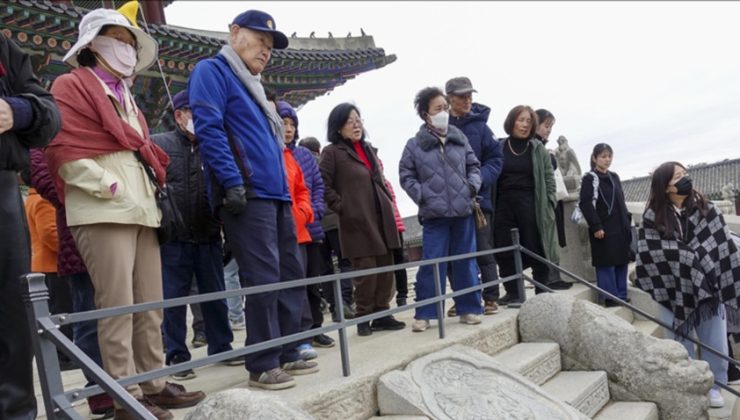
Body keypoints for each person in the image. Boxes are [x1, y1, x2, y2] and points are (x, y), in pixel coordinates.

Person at [45, 9, 204, 418]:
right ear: (91, 44)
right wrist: (109, 186)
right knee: (116, 307)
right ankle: (126, 396)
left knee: (150, 303)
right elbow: (63, 152)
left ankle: (153, 381)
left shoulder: (126, 94)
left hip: (142, 209)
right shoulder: (69, 85)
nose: (127, 48)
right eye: (117, 38)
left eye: (131, 41)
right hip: (102, 210)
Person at [188, 9, 318, 391]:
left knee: (289, 273)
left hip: (276, 193)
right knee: (262, 277)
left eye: (270, 46)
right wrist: (230, 181)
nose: (266, 51)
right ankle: (262, 361)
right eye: (260, 41)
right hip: (247, 192)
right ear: (234, 33)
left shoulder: (257, 87)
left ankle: (288, 347)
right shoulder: (213, 71)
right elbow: (209, 127)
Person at [635, 161, 740, 408]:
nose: (685, 179)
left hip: (709, 287)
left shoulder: (707, 208)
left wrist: (696, 259)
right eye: (678, 177)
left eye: (685, 174)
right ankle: (688, 385)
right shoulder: (652, 217)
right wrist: (687, 257)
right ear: (665, 188)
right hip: (672, 288)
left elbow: (721, 243)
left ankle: (716, 385)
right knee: (678, 342)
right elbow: (649, 251)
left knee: (715, 340)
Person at [152, 90, 239, 380]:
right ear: (179, 115)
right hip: (173, 236)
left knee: (215, 293)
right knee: (173, 298)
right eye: (194, 111)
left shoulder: (213, 146)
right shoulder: (159, 144)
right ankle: (177, 354)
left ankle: (221, 344)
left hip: (208, 232)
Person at [0, 31, 60, 420]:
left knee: (10, 313)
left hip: (2, 185)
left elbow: (49, 113)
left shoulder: (5, 48)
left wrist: (16, 111)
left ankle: (18, 412)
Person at [30, 148, 115, 416]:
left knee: (124, 316)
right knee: (89, 322)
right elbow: (46, 179)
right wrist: (95, 191)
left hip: (113, 232)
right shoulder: (41, 142)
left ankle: (137, 382)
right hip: (76, 246)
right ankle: (99, 391)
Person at [399, 86, 483, 332]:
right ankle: (425, 312)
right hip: (434, 214)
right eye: (438, 108)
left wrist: (472, 186)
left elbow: (474, 165)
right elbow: (406, 175)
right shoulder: (414, 145)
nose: (443, 112)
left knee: (465, 262)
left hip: (463, 211)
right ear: (426, 114)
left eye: (445, 107)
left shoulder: (459, 137)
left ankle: (469, 308)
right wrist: (422, 196)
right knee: (431, 263)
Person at [319, 103, 404, 336]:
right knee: (366, 272)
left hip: (381, 216)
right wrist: (341, 207)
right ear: (338, 128)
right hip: (357, 220)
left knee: (386, 269)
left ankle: (382, 313)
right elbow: (322, 184)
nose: (356, 124)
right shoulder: (332, 153)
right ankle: (364, 317)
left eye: (358, 119)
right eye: (349, 120)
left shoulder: (368, 149)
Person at [276, 102, 335, 350]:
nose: (288, 129)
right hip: (285, 227)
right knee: (292, 282)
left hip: (310, 227)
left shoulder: (305, 156)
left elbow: (318, 186)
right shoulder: (272, 153)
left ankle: (314, 328)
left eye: (292, 124)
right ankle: (294, 333)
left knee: (313, 282)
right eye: (284, 123)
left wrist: (315, 210)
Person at [445, 77, 503, 316]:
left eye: (470, 95)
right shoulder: (439, 125)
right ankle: (463, 298)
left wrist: (480, 181)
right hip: (449, 203)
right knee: (454, 254)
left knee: (483, 249)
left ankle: (490, 296)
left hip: (479, 201)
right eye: (462, 96)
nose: (468, 100)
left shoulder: (481, 127)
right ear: (449, 98)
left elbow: (496, 159)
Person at [494, 105, 559, 304]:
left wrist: (549, 201)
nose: (524, 125)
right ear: (511, 121)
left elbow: (549, 178)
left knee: (535, 245)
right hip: (503, 203)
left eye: (528, 122)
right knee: (504, 248)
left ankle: (542, 289)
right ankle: (513, 291)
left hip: (531, 201)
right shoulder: (498, 146)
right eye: (520, 120)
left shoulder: (537, 148)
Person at [301, 136, 355, 322]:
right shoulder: (328, 162)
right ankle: (345, 301)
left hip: (315, 225)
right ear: (318, 149)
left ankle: (335, 308)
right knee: (346, 263)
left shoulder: (301, 165)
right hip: (336, 221)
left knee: (325, 270)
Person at [578, 143, 631, 305]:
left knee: (622, 259)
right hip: (603, 227)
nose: (607, 160)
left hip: (620, 225)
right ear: (595, 158)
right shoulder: (589, 178)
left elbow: (621, 201)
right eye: (603, 156)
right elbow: (585, 203)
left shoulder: (614, 177)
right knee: (606, 262)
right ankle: (609, 297)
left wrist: (627, 223)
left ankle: (621, 294)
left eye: (609, 156)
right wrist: (596, 226)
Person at [535, 108, 571, 290]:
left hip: (552, 198)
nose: (548, 130)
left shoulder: (543, 146)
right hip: (543, 200)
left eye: (550, 126)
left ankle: (554, 276)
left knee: (554, 238)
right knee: (548, 239)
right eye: (546, 125)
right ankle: (551, 277)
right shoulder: (535, 146)